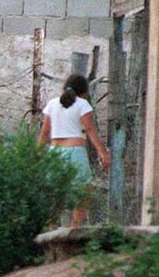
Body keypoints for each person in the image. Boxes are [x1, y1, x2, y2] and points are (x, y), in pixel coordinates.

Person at [38, 74, 110, 227]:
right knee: (85, 191)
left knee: (56, 192)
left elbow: (45, 132)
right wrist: (103, 152)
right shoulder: (83, 104)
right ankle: (75, 226)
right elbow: (90, 129)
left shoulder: (52, 104)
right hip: (75, 151)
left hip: (55, 152)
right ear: (84, 91)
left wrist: (36, 154)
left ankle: (53, 227)